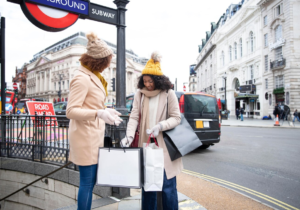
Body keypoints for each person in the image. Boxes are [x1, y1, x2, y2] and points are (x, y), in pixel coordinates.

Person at [66, 32, 123, 210]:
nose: (106, 67)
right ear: (98, 61)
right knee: (87, 183)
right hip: (85, 137)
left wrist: (105, 110)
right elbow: (71, 111)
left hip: (92, 134)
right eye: (106, 62)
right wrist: (98, 113)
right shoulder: (82, 78)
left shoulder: (94, 76)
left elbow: (92, 104)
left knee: (89, 183)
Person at [121, 52, 182, 210]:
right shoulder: (139, 95)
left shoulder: (169, 93)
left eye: (150, 81)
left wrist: (160, 126)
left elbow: (176, 118)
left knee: (168, 188)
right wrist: (128, 136)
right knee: (148, 188)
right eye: (145, 81)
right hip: (146, 146)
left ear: (158, 80)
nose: (147, 84)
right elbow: (134, 117)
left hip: (165, 148)